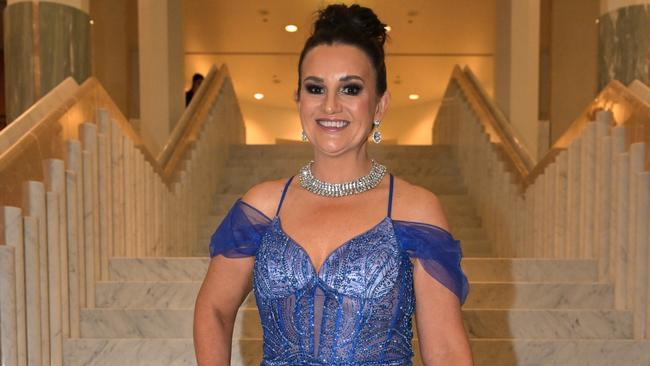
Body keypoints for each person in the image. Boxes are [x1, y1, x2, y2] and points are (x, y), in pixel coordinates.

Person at [193, 4, 472, 365]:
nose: (330, 105)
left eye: (350, 89)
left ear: (380, 105)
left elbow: (447, 351)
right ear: (298, 100)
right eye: (315, 88)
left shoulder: (414, 208)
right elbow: (213, 308)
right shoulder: (263, 205)